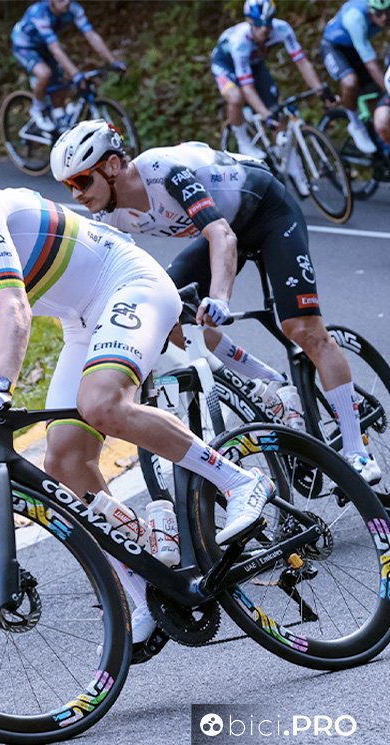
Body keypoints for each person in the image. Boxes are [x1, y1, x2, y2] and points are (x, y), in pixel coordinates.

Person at [0, 151, 276, 650]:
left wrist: (2, 384)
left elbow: (14, 303)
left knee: (101, 403)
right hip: (80, 322)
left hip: (127, 281)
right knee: (63, 460)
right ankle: (143, 587)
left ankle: (240, 480)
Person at [50, 120, 382, 485]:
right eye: (68, 185)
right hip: (226, 227)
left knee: (303, 329)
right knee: (169, 314)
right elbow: (117, 273)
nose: (76, 194)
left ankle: (357, 451)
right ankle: (269, 384)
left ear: (112, 166)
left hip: (268, 213)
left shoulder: (163, 171)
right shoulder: (107, 214)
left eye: (81, 181)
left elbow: (221, 233)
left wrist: (220, 298)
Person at [211, 0, 334, 193]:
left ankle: (295, 172)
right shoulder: (240, 41)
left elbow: (302, 63)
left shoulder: (282, 29)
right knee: (236, 98)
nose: (265, 29)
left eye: (268, 23)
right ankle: (243, 142)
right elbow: (247, 88)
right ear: (249, 22)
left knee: (278, 114)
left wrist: (320, 90)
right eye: (259, 24)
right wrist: (265, 114)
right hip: (226, 64)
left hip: (255, 64)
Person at [11, 0, 126, 132]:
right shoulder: (40, 13)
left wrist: (113, 62)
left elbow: (91, 35)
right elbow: (55, 48)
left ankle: (58, 116)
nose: (66, 2)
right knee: (44, 73)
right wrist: (75, 74)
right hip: (24, 45)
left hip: (44, 46)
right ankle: (36, 110)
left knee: (61, 85)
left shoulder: (74, 9)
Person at [321, 0, 390, 153]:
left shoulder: (382, 14)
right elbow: (370, 64)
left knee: (374, 95)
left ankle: (383, 149)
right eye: (379, 13)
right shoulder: (355, 18)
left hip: (355, 47)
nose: (385, 17)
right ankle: (355, 125)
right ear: (370, 10)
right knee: (350, 81)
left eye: (388, 12)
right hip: (334, 47)